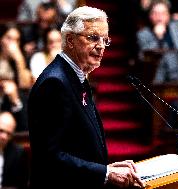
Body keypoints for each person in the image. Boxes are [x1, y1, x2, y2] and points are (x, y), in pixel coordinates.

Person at [28, 6, 144, 189]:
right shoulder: (55, 83)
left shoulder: (76, 77)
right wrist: (105, 173)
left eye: (105, 40)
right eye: (93, 37)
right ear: (70, 40)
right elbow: (49, 156)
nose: (101, 46)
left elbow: (78, 144)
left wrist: (105, 169)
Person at [0, 111, 29, 189]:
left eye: (8, 133)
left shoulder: (18, 153)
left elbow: (21, 185)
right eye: (1, 131)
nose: (4, 137)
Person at [0, 23, 32, 89]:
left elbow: (25, 85)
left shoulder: (24, 58)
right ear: (1, 39)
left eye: (17, 40)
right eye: (9, 38)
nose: (13, 43)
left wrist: (19, 59)